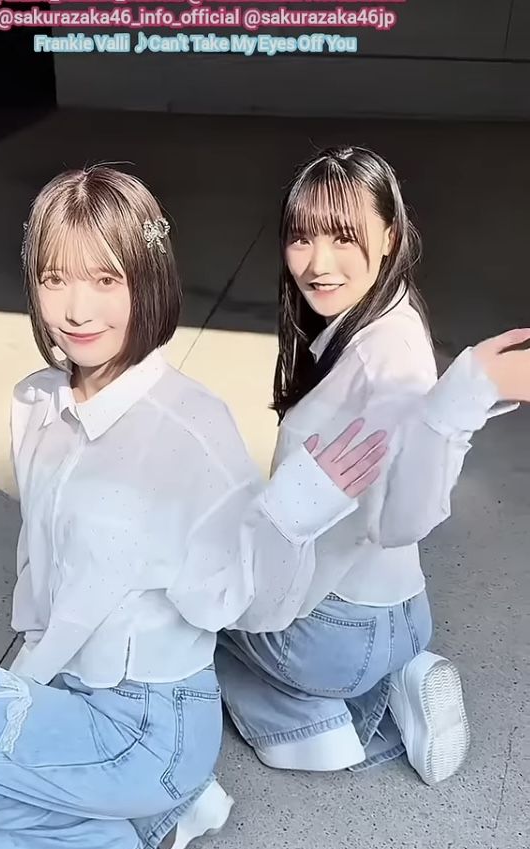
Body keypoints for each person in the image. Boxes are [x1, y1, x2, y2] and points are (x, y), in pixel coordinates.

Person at [0, 165, 388, 849]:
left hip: (149, 726)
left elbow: (254, 608)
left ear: (146, 279)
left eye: (105, 279)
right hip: (68, 691)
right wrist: (23, 680)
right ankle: (162, 814)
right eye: (55, 278)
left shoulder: (190, 427)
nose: (77, 309)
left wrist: (290, 514)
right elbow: (44, 567)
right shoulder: (37, 402)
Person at [215, 145, 530, 786]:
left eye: (343, 237)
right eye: (301, 238)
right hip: (399, 617)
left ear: (390, 236)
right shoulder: (388, 318)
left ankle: (311, 724)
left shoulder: (382, 362)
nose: (318, 264)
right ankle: (398, 676)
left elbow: (401, 518)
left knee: (187, 609)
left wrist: (458, 405)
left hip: (331, 633)